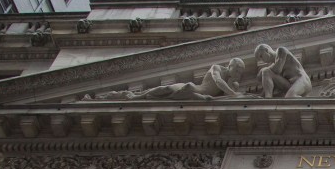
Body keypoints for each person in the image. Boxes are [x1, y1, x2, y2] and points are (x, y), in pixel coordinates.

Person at [85, 58, 248, 101]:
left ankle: (137, 96)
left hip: (198, 96)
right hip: (191, 89)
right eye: (238, 69)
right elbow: (218, 82)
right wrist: (234, 95)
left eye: (241, 72)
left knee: (156, 94)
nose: (239, 73)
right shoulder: (217, 68)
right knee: (165, 89)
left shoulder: (233, 83)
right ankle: (134, 97)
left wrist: (236, 90)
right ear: (231, 64)